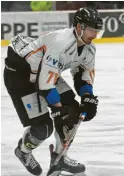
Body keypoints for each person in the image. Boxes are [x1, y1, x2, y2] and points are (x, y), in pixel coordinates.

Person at [4, 7, 103, 176]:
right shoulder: (60, 43)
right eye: (91, 30)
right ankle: (23, 151)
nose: (94, 35)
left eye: (97, 31)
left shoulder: (89, 49)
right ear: (79, 27)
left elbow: (82, 74)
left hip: (42, 71)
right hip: (20, 73)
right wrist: (58, 109)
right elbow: (45, 84)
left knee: (72, 112)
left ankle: (60, 158)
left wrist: (87, 97)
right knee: (43, 128)